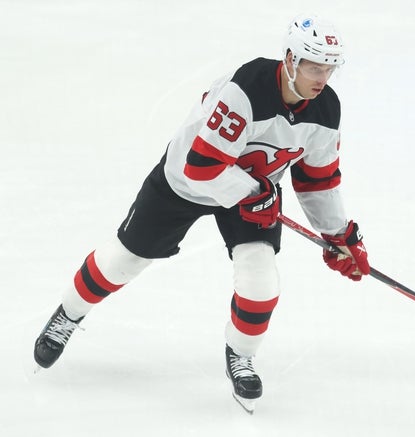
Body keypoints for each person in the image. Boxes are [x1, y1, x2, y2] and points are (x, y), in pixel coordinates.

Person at [33, 13, 370, 413]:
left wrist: (339, 234)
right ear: (290, 60)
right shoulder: (246, 90)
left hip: (251, 193)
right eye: (315, 67)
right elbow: (202, 167)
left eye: (330, 68)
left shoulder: (326, 109)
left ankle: (241, 355)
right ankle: (68, 315)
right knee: (123, 261)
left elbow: (318, 180)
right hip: (186, 183)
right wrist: (253, 193)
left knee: (261, 281)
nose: (322, 78)